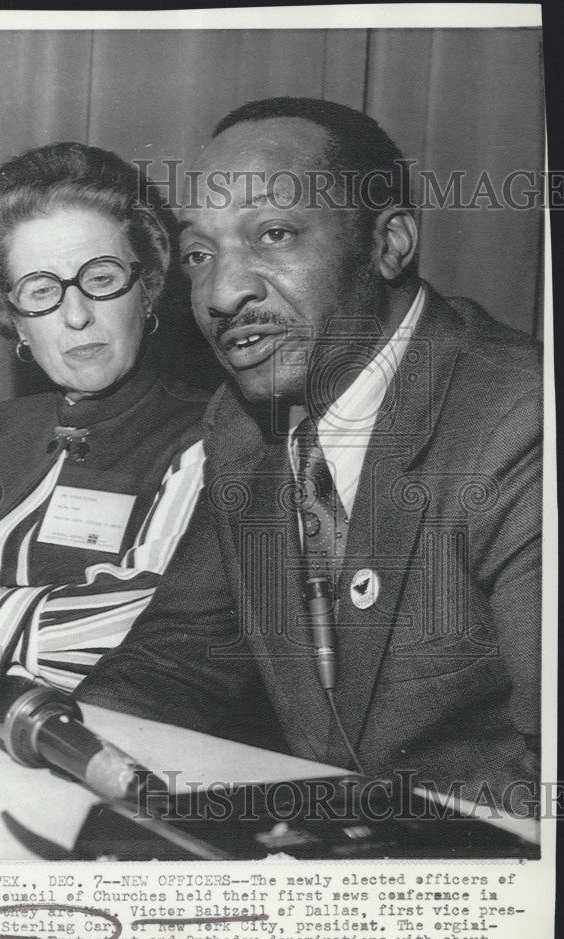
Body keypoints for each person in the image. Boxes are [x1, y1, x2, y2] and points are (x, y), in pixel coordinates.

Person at [75, 98, 542, 810]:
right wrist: (68, 754)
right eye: (199, 254)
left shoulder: (523, 423)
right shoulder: (240, 425)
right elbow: (179, 661)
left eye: (273, 233)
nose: (223, 293)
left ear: (388, 244)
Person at [0, 142, 207, 689]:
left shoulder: (203, 435)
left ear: (147, 290)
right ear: (18, 321)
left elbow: (145, 630)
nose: (75, 316)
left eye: (100, 279)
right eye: (42, 290)